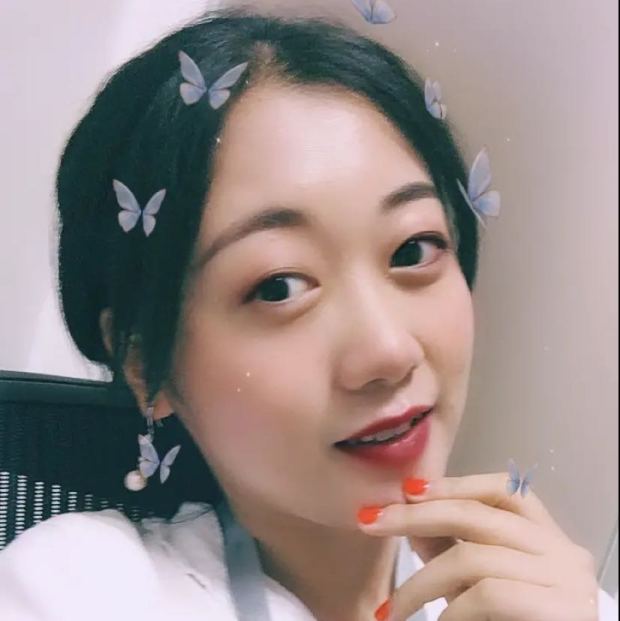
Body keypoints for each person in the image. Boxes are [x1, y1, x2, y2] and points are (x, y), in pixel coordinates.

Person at [0, 7, 617, 621]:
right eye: (279, 286)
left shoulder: (549, 601)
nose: (389, 351)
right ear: (141, 361)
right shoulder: (79, 589)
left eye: (413, 249)